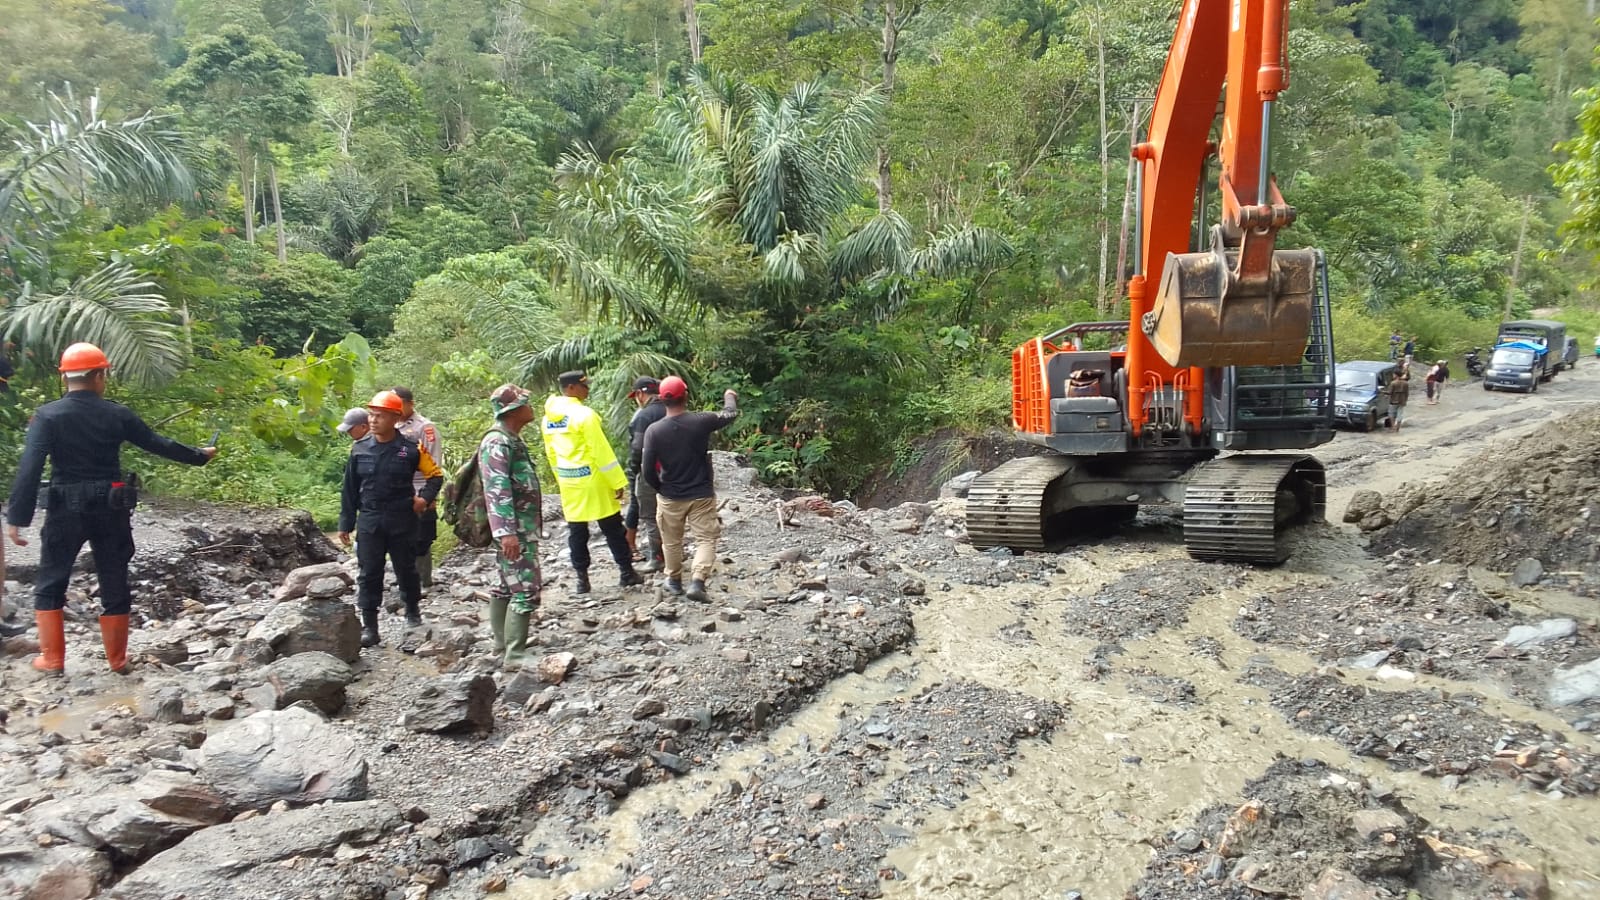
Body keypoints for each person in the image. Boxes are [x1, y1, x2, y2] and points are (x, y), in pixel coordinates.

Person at [6, 343, 216, 674]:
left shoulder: (47, 416)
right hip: (111, 507)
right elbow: (156, 443)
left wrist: (17, 518)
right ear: (101, 375)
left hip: (65, 509)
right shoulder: (118, 414)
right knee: (113, 576)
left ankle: (53, 659)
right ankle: (117, 659)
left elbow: (30, 466)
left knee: (52, 578)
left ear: (66, 379)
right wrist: (198, 456)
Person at [338, 390, 443, 647]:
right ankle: (370, 627)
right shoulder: (359, 449)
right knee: (369, 572)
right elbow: (349, 489)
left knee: (406, 568)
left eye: (380, 416)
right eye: (371, 415)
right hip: (370, 519)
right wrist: (346, 523)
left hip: (402, 518)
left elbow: (436, 476)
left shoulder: (411, 449)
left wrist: (424, 499)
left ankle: (412, 612)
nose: (373, 420)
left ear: (395, 417)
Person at [541, 370, 642, 595]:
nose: (587, 390)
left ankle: (582, 580)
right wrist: (617, 481)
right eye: (583, 386)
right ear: (571, 388)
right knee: (612, 527)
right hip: (593, 479)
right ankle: (627, 572)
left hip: (569, 480)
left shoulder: (548, 419)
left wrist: (561, 479)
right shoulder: (584, 415)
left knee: (577, 531)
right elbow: (600, 451)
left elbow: (551, 453)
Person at [641, 376, 738, 602]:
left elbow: (646, 471)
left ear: (662, 400)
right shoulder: (701, 421)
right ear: (686, 396)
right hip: (701, 494)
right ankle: (697, 582)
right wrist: (729, 396)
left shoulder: (653, 431)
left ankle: (674, 581)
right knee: (706, 539)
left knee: (671, 541)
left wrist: (661, 488)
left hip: (670, 496)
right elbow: (729, 414)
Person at [479, 384, 541, 669]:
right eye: (526, 403)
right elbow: (497, 489)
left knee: (505, 584)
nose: (531, 407)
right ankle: (514, 654)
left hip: (519, 526)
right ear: (513, 410)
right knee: (525, 586)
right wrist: (506, 533)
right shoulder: (497, 442)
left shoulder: (510, 438)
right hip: (514, 529)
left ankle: (502, 646)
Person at [393, 386, 441, 593]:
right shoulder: (391, 426)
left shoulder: (425, 427)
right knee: (399, 537)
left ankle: (424, 581)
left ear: (410, 403)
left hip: (421, 489)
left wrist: (429, 495)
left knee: (421, 538)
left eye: (398, 403)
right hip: (397, 492)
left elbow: (434, 462)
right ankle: (405, 578)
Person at [624, 376, 666, 572]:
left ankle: (657, 557)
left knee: (650, 516)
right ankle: (674, 552)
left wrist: (634, 470)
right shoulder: (671, 407)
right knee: (671, 513)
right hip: (674, 471)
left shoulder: (642, 416)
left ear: (640, 393)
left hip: (649, 472)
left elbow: (637, 449)